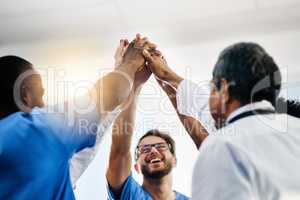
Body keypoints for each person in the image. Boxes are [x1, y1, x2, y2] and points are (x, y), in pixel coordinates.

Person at [0, 35, 153, 199]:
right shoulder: (36, 129)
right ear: (25, 94)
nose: (43, 105)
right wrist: (129, 63)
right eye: (40, 94)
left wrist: (129, 81)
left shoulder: (42, 161)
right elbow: (111, 93)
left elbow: (82, 154)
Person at [143, 42, 300, 199]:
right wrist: (166, 78)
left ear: (224, 89)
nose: (210, 95)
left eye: (212, 88)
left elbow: (207, 116)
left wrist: (167, 76)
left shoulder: (223, 145)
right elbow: (203, 111)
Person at [106, 43, 189, 200]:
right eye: (144, 150)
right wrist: (130, 81)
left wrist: (166, 78)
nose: (153, 151)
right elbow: (119, 151)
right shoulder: (130, 195)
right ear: (136, 166)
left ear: (175, 160)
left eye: (160, 146)